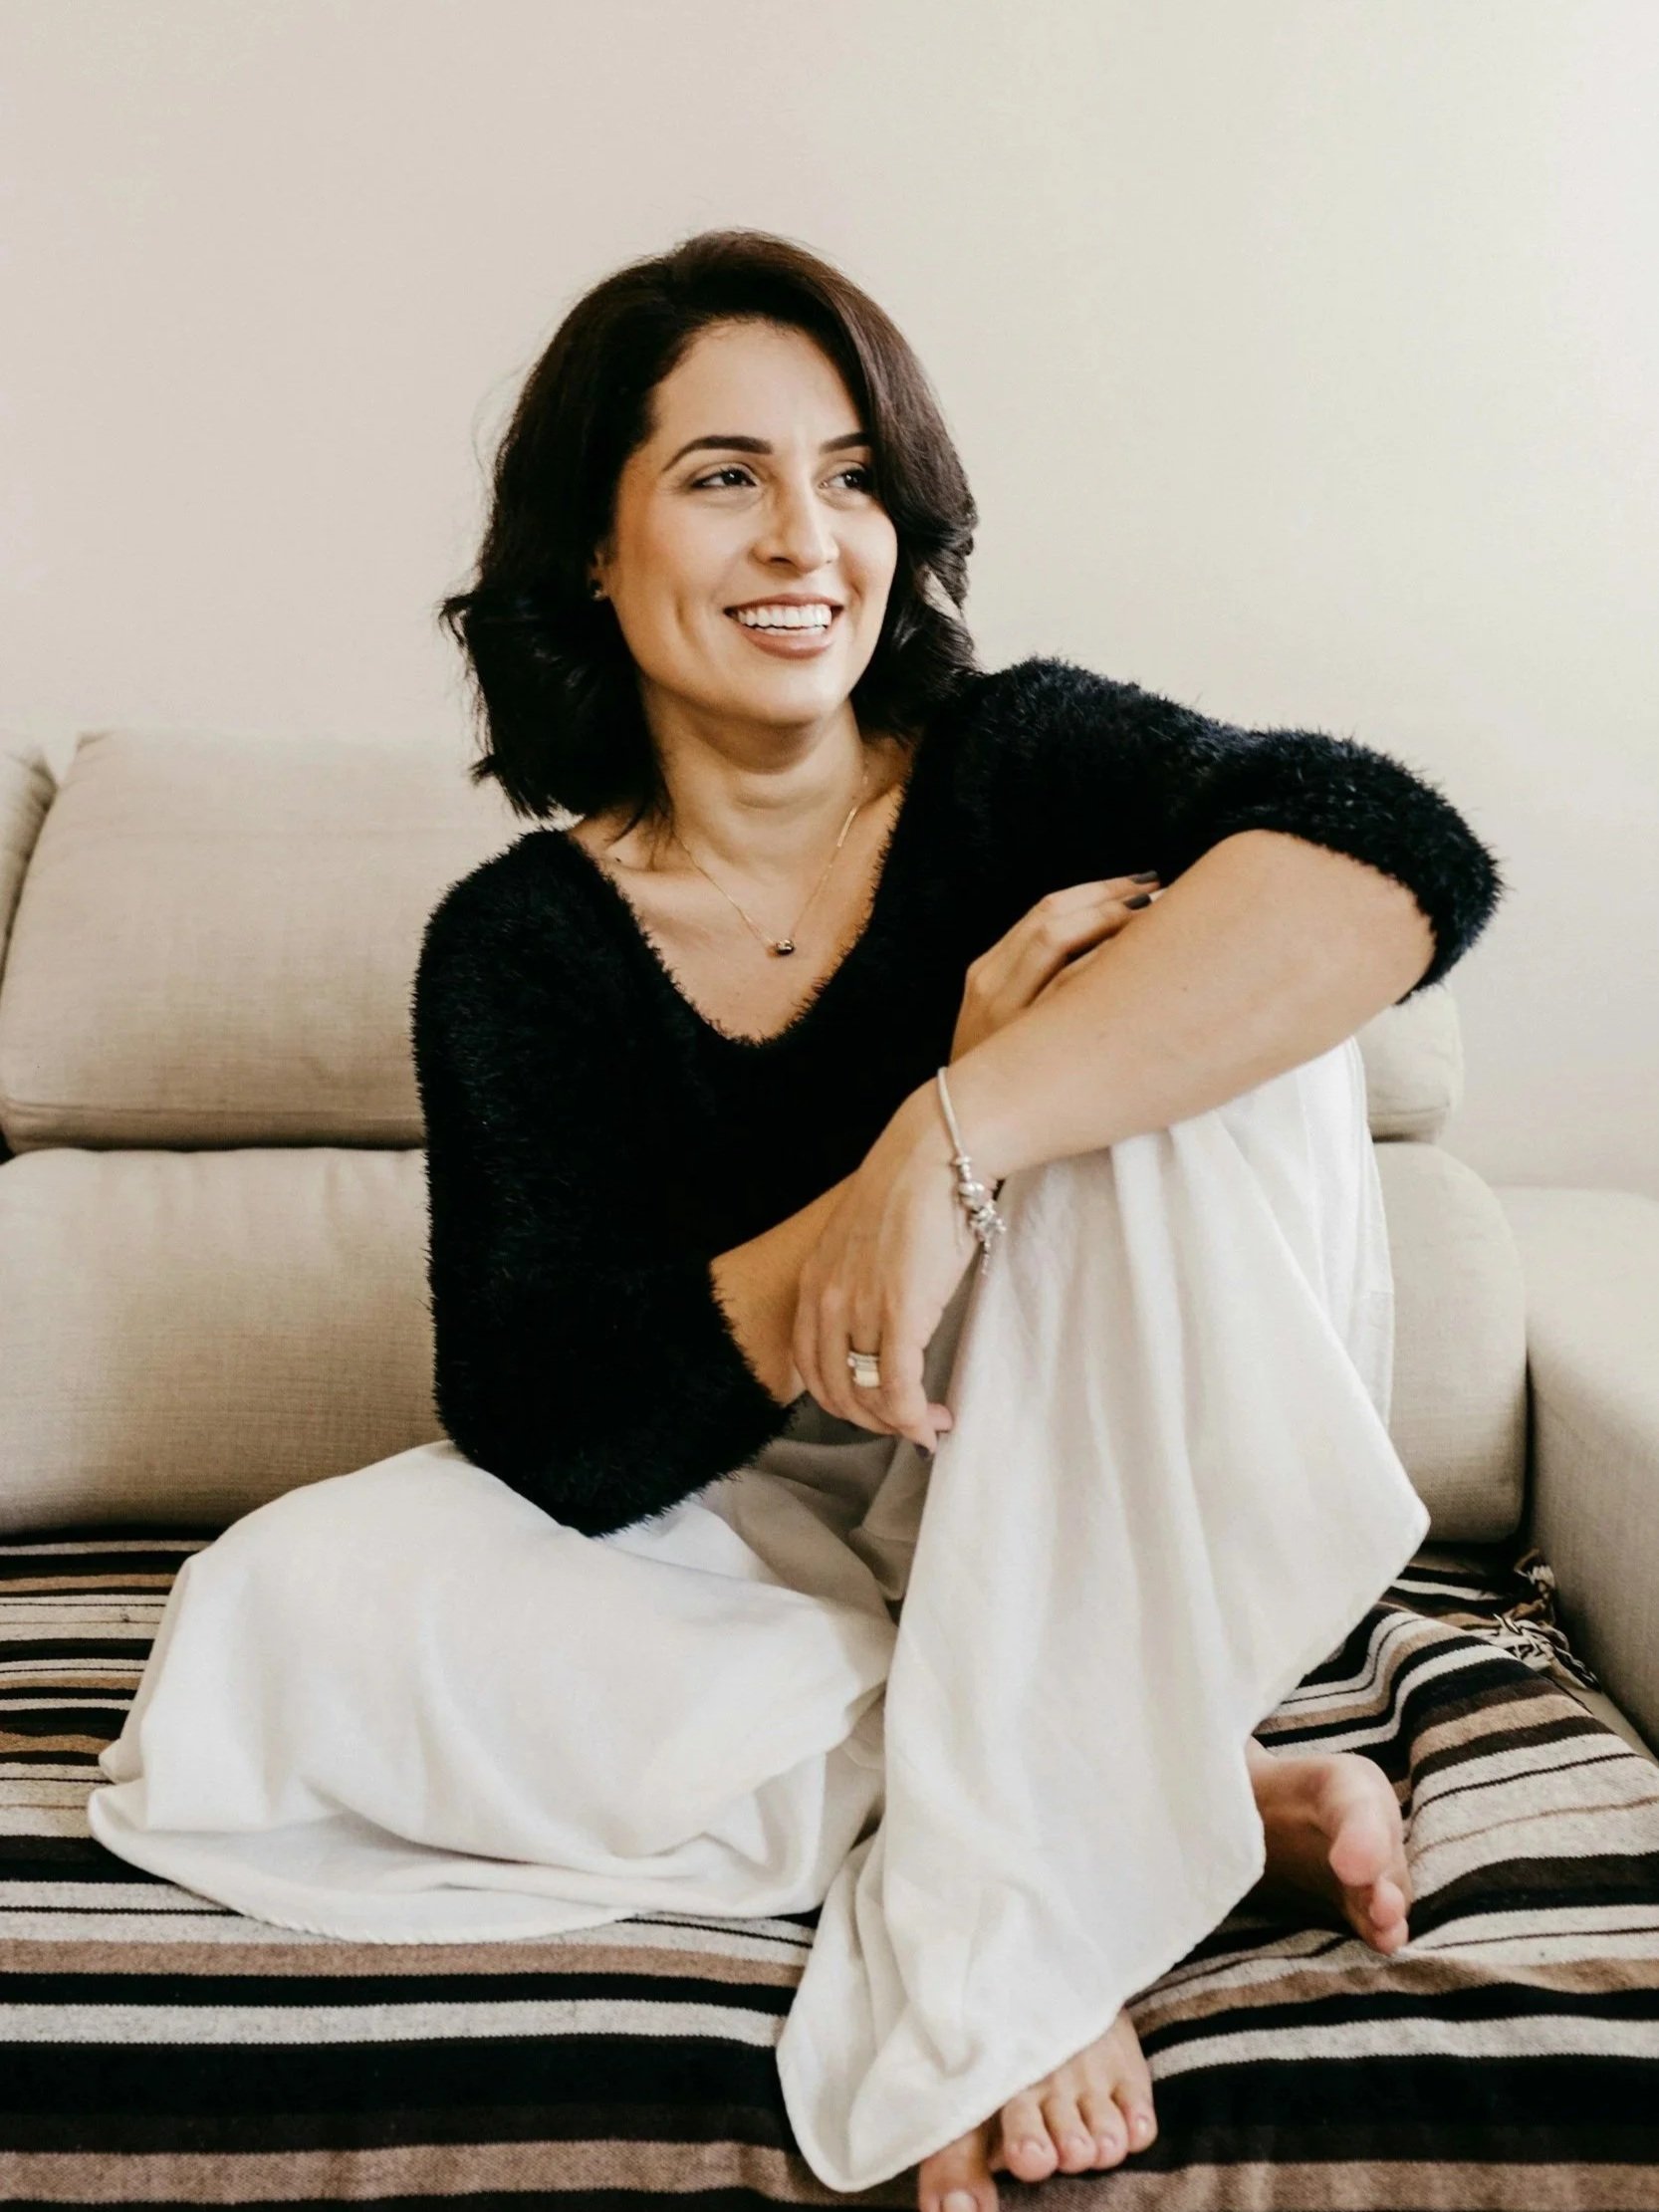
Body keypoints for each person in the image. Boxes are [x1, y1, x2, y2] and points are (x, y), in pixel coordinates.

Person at [88, 229, 1506, 2210]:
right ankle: (1153, 1799)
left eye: (848, 475)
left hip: (1096, 1445)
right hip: (784, 1518)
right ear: (592, 545)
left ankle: (1005, 1906)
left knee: (1201, 998)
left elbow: (1395, 859)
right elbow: (554, 1417)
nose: (801, 537)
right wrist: (864, 1211)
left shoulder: (1028, 762)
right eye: (722, 474)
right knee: (282, 1605)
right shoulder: (519, 946)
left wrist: (970, 1123)